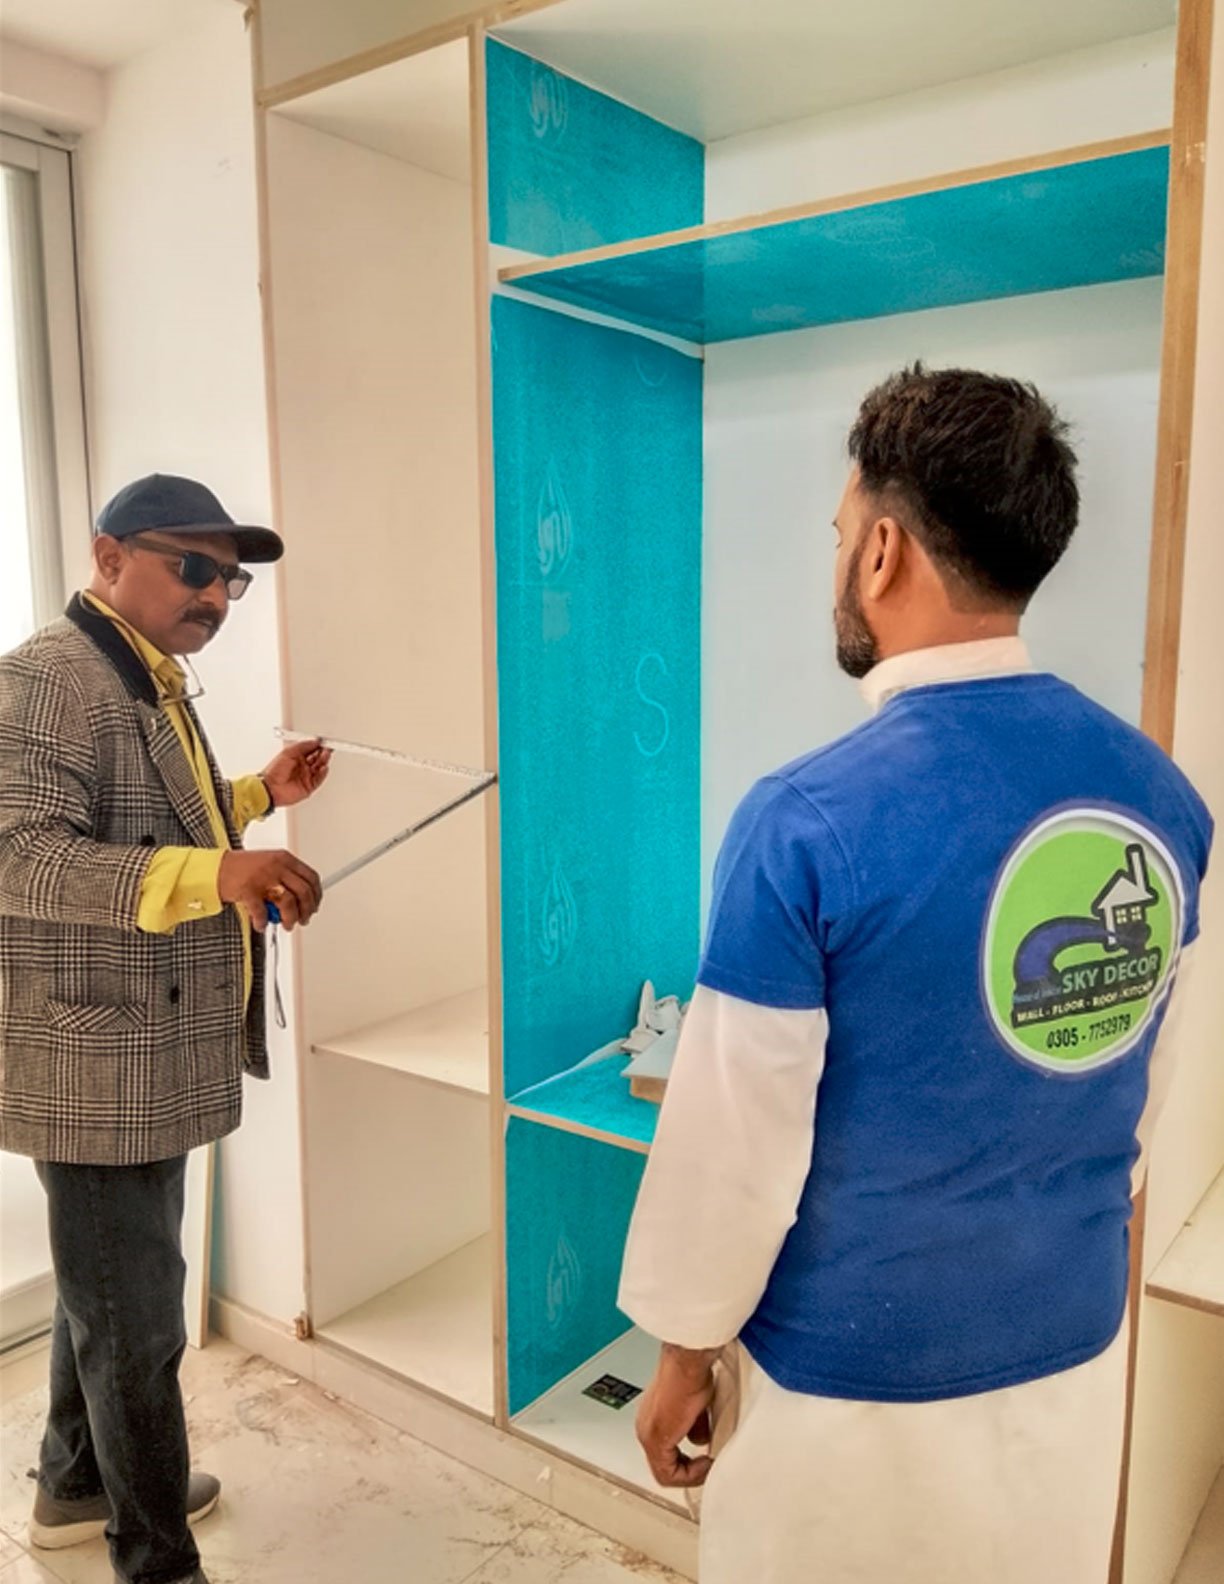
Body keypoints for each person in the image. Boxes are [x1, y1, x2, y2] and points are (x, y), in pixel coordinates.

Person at [619, 367, 1213, 1584]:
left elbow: (734, 1147)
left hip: (848, 1396)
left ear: (883, 551)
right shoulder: (1162, 801)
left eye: (840, 533)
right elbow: (1141, 1087)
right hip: (1071, 1367)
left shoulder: (805, 821)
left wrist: (682, 1352)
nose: (838, 560)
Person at [0, 474, 329, 1584]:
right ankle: (155, 1560)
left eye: (229, 579)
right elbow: (21, 859)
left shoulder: (145, 675)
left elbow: (152, 817)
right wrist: (223, 871)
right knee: (135, 1326)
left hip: (143, 1053)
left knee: (105, 1291)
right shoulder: (50, 677)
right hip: (95, 1060)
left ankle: (75, 1485)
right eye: (194, 568)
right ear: (109, 558)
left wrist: (257, 794)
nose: (218, 597)